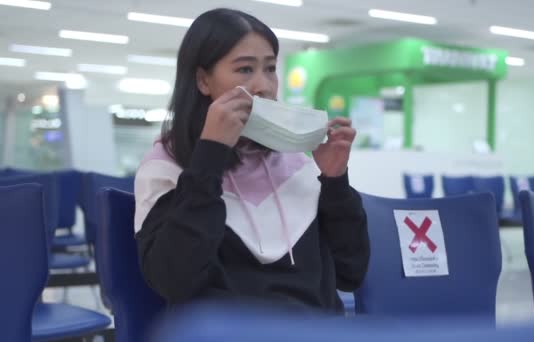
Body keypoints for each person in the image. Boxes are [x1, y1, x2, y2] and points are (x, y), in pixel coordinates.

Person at [134, 8, 370, 313]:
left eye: (270, 68)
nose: (264, 86)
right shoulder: (166, 166)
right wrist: (210, 156)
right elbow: (174, 281)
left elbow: (351, 272)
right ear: (203, 80)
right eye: (245, 70)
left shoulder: (297, 163)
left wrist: (335, 181)